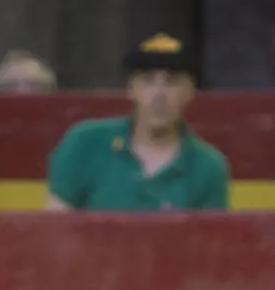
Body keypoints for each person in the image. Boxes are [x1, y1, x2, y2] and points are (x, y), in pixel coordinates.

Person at [45, 33, 230, 212]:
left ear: (189, 92)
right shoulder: (84, 143)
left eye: (172, 82)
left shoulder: (207, 166)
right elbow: (56, 229)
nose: (159, 94)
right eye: (148, 81)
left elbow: (209, 240)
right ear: (131, 89)